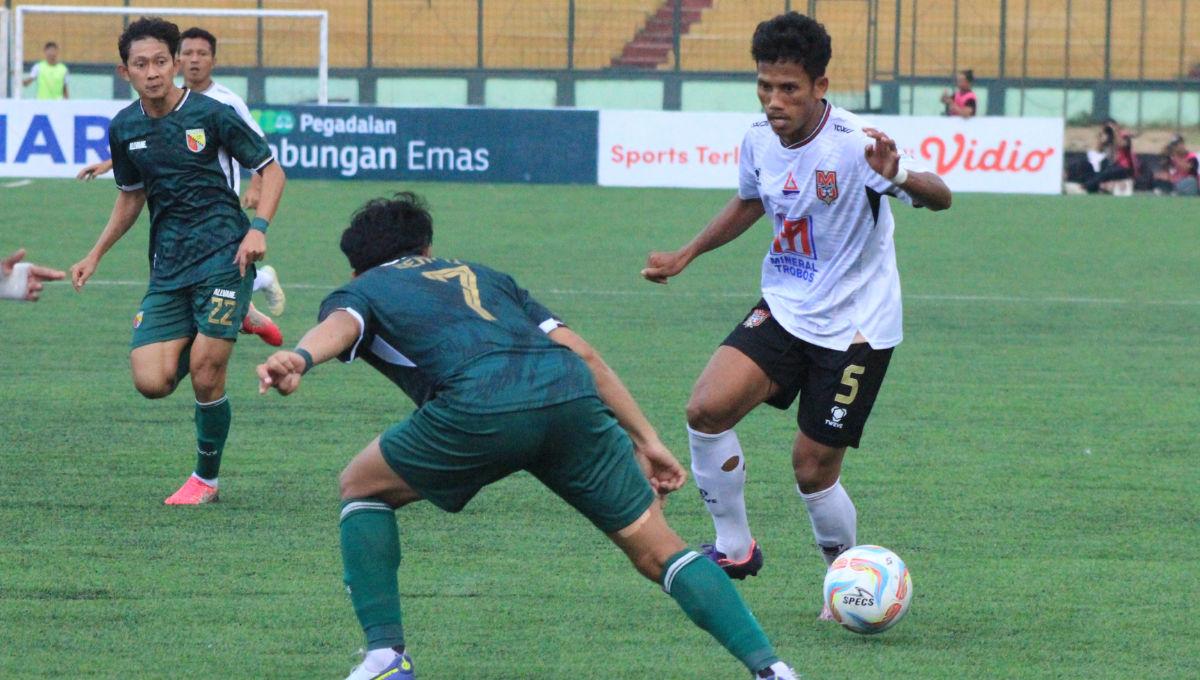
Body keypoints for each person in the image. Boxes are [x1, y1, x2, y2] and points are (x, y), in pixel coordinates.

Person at [255, 193, 800, 680]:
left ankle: (386, 658)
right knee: (660, 550)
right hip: (568, 398)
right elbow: (582, 352)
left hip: (481, 406)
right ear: (426, 246)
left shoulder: (365, 287)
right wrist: (647, 440)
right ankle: (771, 669)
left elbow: (344, 322)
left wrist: (300, 357)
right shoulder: (487, 276)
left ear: (358, 265)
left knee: (362, 487)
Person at [641, 12, 951, 620]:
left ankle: (849, 583)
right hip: (786, 306)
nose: (775, 100)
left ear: (820, 87)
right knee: (706, 409)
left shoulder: (857, 145)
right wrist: (688, 253)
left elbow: (940, 195)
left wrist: (900, 174)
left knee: (811, 470)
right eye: (765, 85)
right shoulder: (758, 137)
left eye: (789, 88)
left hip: (857, 330)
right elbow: (751, 201)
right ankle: (734, 547)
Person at [68, 17, 287, 505]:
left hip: (224, 255)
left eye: (161, 62)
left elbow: (271, 172)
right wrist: (95, 253)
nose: (153, 73)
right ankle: (231, 321)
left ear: (174, 64)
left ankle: (205, 479)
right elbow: (130, 196)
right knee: (152, 381)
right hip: (169, 264)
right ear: (125, 72)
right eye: (141, 64)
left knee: (208, 371)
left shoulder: (212, 113)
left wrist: (258, 229)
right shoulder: (124, 127)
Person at [78, 26, 287, 339]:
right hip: (173, 239)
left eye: (201, 54)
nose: (194, 60)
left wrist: (256, 193)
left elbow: (262, 154)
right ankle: (241, 310)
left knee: (209, 347)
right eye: (188, 53)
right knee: (155, 372)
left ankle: (234, 312)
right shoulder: (133, 119)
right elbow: (152, 152)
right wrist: (112, 162)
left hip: (221, 229)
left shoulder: (223, 104)